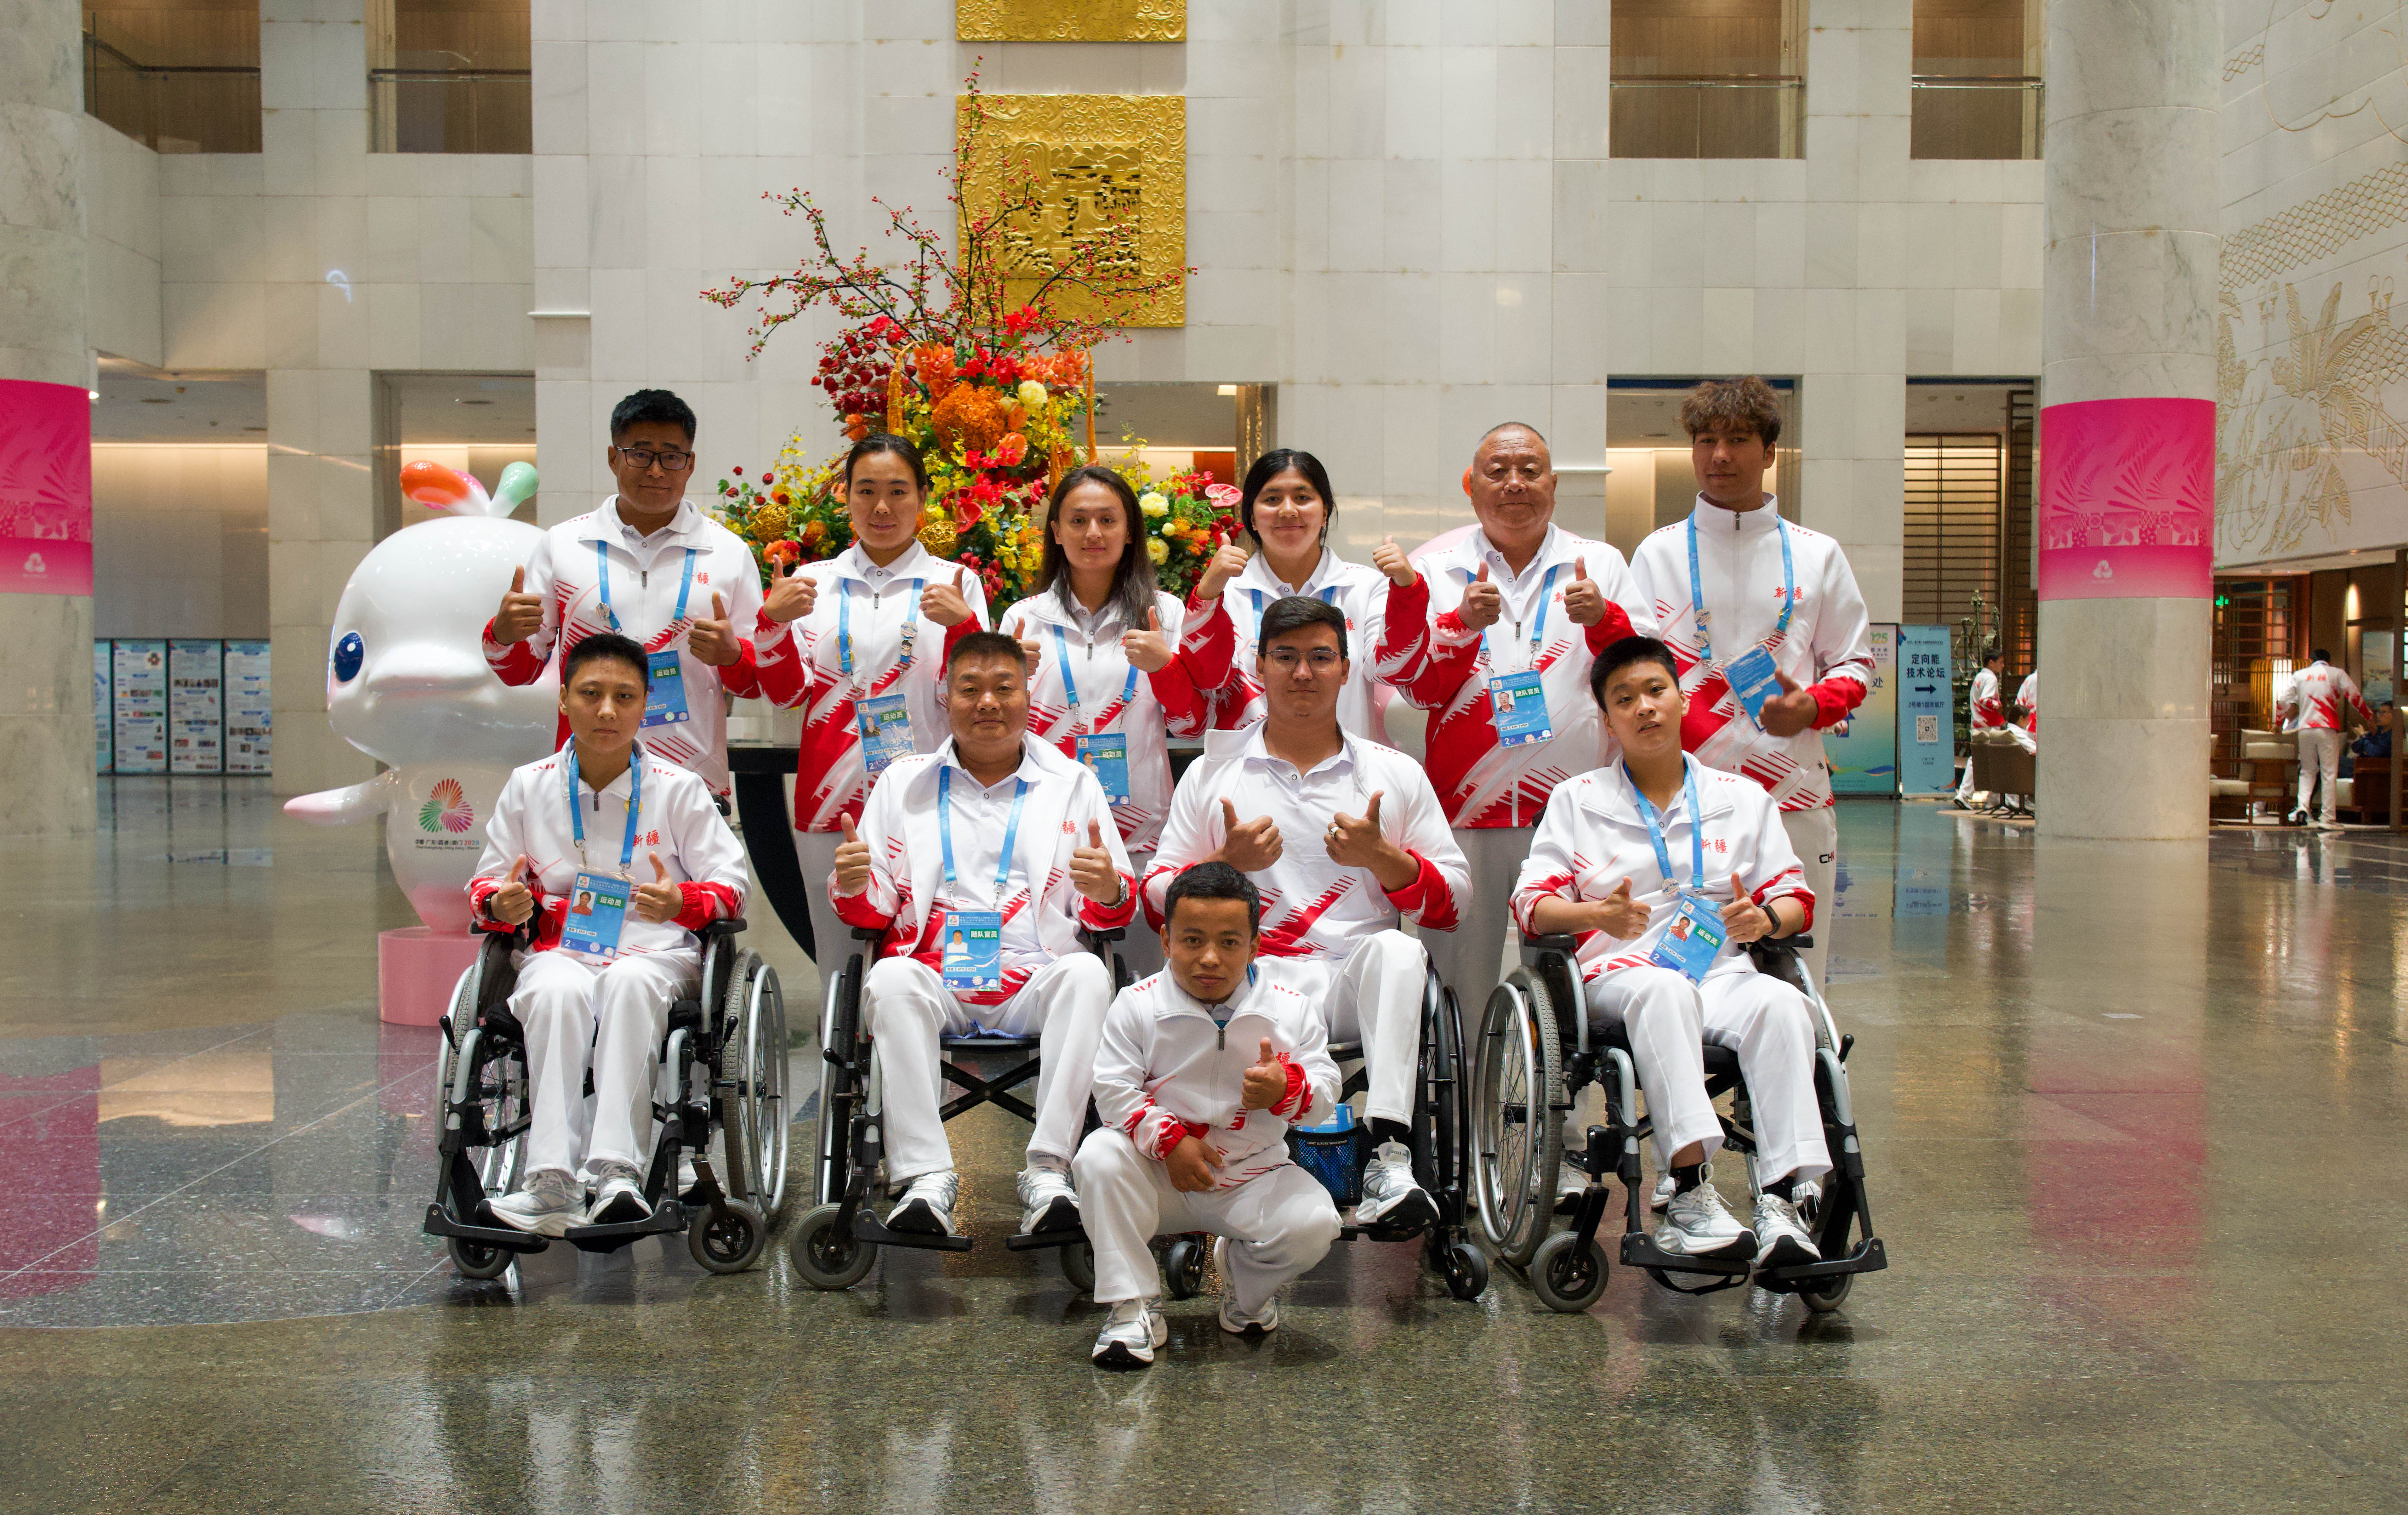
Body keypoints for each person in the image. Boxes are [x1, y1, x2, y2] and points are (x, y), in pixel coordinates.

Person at [1144, 596, 1470, 1230]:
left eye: (1321, 657)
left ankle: (1389, 1155)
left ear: (1346, 668)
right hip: (1247, 984)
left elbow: (1455, 903)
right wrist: (1223, 862)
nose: (1302, 673)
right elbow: (1157, 893)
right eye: (1285, 657)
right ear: (1259, 666)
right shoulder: (1213, 773)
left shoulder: (1394, 773)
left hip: (1350, 979)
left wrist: (1383, 858)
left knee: (1401, 950)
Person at [1512, 635, 1827, 1275]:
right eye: (1624, 699)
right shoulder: (1577, 799)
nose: (1644, 707)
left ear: (1683, 699)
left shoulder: (1743, 797)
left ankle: (1780, 1202)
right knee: (1664, 989)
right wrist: (1594, 915)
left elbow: (1796, 896)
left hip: (1722, 971)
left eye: (1656, 690)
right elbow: (1531, 904)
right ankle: (1687, 1191)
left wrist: (1765, 918)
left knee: (1781, 1003)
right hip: (1618, 974)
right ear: (1608, 720)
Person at [832, 631, 1135, 1238]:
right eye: (970, 688)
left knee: (1087, 973)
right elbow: (870, 915)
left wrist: (1107, 889)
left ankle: (1049, 1171)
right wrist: (854, 883)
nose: (988, 702)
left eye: (1004, 687)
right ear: (945, 697)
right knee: (889, 978)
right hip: (935, 975)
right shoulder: (903, 784)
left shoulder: (1073, 783)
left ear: (1028, 697)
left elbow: (1113, 911)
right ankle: (925, 1178)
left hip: (1035, 976)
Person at [467, 632, 750, 1234]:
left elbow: (732, 887)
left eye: (624, 697)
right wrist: (501, 901)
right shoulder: (529, 785)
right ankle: (551, 1182)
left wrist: (683, 900)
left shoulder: (679, 788)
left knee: (629, 984)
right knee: (553, 991)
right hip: (560, 951)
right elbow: (486, 884)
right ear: (563, 699)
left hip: (655, 953)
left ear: (646, 703)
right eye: (590, 694)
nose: (606, 711)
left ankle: (618, 1172)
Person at [1373, 422, 1653, 1006]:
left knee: (1572, 986)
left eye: (1530, 470)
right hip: (1465, 811)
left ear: (1554, 483)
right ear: (1470, 485)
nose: (1515, 483)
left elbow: (1646, 673)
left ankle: (1562, 1072)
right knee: (1459, 985)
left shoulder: (1599, 563)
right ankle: (1464, 1068)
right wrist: (1459, 626)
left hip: (1575, 808)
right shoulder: (1437, 570)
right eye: (1497, 472)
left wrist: (1603, 620)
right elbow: (1415, 686)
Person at [1627, 378, 1874, 992]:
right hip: (1682, 799)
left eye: (1738, 440)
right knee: (1680, 975)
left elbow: (1854, 662)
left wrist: (1812, 706)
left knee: (1798, 976)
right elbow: (1632, 671)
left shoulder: (1818, 554)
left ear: (1768, 452)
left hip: (1793, 794)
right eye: (1706, 440)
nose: (1719, 455)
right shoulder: (1657, 554)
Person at [1078, 861, 1345, 1366]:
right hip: (1156, 1175)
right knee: (1098, 1157)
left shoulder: (1291, 1009)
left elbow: (1326, 1092)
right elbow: (1112, 1090)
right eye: (1192, 940)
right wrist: (1170, 1142)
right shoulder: (1135, 1004)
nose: (1209, 958)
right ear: (1165, 940)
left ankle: (1243, 1283)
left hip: (1249, 1175)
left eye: (1229, 942)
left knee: (1315, 1224)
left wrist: (1287, 1089)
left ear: (1255, 945)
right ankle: (1132, 1307)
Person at [750, 433, 989, 974]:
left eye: (898, 491)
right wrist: (772, 624)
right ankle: (841, 1032)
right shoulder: (813, 584)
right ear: (846, 495)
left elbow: (975, 702)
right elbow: (787, 694)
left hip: (929, 796)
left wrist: (964, 627)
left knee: (926, 950)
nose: (882, 507)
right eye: (867, 490)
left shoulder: (956, 583)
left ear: (923, 497)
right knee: (837, 961)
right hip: (830, 798)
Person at [484, 389, 772, 800]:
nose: (656, 470)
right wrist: (504, 634)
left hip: (692, 782)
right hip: (586, 779)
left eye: (671, 456)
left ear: (690, 464)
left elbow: (757, 683)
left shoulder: (728, 553)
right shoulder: (563, 545)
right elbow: (520, 673)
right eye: (640, 454)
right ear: (613, 457)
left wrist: (732, 656)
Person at [1003, 466, 1218, 980]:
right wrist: (1010, 678)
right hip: (1050, 825)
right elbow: (998, 732)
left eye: (1107, 520)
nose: (1093, 533)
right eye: (1078, 520)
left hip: (1141, 826)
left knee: (1144, 982)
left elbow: (1192, 725)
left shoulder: (1165, 614)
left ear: (1130, 532)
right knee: (1058, 978)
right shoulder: (1025, 618)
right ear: (1056, 532)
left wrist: (1166, 668)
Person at [1185, 449, 1397, 739]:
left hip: (1346, 763)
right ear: (1251, 516)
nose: (1287, 511)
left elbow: (1392, 670)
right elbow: (1203, 681)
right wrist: (1208, 594)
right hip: (1248, 764)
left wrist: (1407, 590)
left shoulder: (1367, 587)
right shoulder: (1223, 593)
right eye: (1272, 499)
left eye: (1302, 498)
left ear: (1325, 512)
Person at [2281, 648, 2376, 828]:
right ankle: (2328, 817)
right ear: (2329, 661)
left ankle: (2302, 808)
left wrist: (2279, 724)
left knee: (2307, 771)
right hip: (2327, 727)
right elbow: (2354, 696)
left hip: (2305, 729)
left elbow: (2283, 700)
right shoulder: (2337, 674)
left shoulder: (2299, 675)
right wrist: (2369, 717)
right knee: (2329, 773)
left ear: (2311, 661)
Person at [1951, 643, 2027, 812]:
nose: (2003, 666)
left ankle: (1972, 795)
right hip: (1990, 726)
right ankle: (1998, 798)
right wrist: (1999, 705)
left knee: (1977, 760)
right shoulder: (1991, 679)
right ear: (1991, 663)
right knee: (1999, 759)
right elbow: (1986, 700)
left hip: (1978, 725)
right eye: (2001, 662)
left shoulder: (1979, 677)